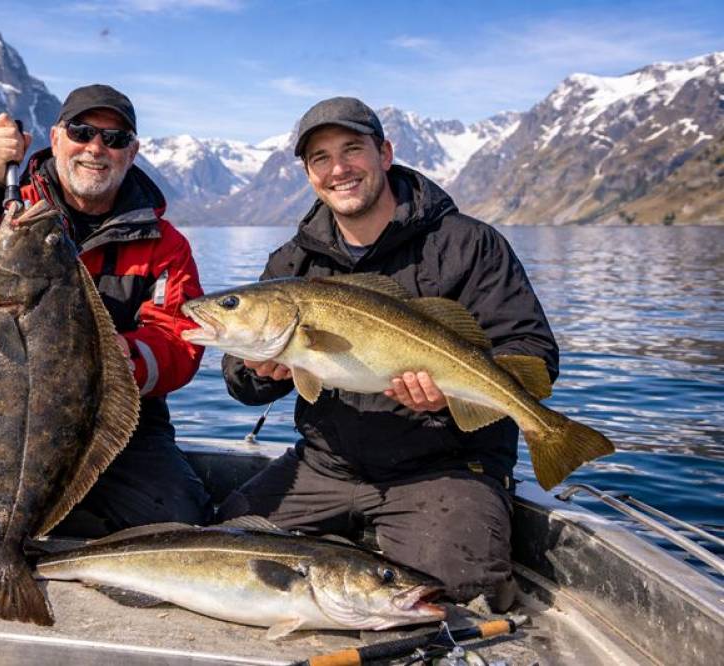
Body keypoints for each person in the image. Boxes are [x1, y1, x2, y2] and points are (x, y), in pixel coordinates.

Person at [216, 97, 559, 611]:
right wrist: (259, 371)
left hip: (443, 469)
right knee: (225, 550)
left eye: (352, 149)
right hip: (326, 467)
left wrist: (449, 401)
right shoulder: (292, 263)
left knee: (448, 596)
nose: (339, 169)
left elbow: (531, 352)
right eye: (320, 159)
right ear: (310, 175)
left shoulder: (470, 245)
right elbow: (240, 384)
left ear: (385, 153)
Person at [0, 84, 212, 553]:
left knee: (181, 525)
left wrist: (124, 359)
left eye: (115, 139)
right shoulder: (4, 209)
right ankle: (35, 524)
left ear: (133, 152)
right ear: (56, 138)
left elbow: (179, 341)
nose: (96, 149)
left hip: (117, 425)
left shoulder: (164, 244)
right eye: (82, 132)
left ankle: (41, 517)